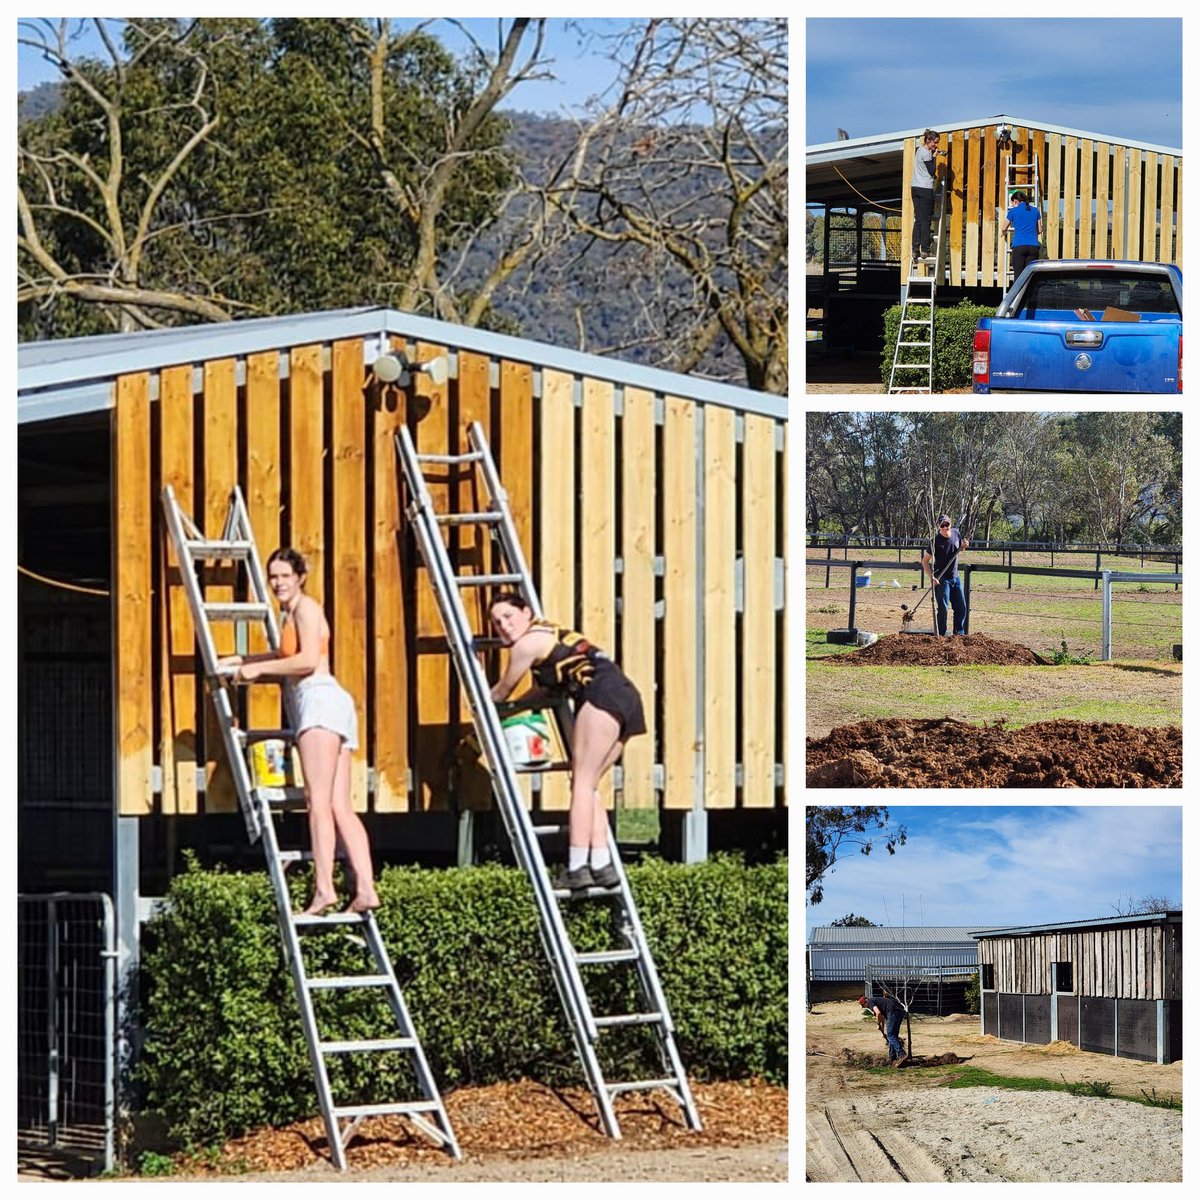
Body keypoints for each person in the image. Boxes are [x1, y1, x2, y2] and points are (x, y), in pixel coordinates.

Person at [219, 548, 379, 916]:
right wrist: (242, 661)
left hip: (318, 701)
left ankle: (324, 889)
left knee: (317, 802)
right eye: (273, 577)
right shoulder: (291, 614)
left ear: (300, 577)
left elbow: (306, 660)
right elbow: (284, 655)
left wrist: (259, 671)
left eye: (284, 576)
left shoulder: (306, 609)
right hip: (332, 703)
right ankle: (365, 888)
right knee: (339, 805)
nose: (278, 583)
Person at [488, 591, 646, 892]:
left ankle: (576, 867)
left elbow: (502, 691)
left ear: (526, 612)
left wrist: (480, 707)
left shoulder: (525, 645)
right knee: (590, 784)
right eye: (497, 623)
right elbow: (546, 692)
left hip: (601, 695)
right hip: (625, 695)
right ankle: (601, 864)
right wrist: (521, 706)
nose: (504, 626)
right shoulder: (550, 633)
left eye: (508, 616)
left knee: (582, 783)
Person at [921, 516, 970, 636]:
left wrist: (964, 546)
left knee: (961, 607)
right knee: (943, 609)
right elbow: (925, 561)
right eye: (942, 525)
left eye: (946, 525)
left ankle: (958, 635)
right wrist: (931, 577)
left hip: (955, 578)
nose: (944, 528)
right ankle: (940, 636)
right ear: (938, 526)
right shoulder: (935, 542)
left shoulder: (956, 533)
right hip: (942, 580)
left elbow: (959, 548)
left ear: (950, 524)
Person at [911, 129, 943, 266]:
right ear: (928, 140)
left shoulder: (919, 151)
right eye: (935, 142)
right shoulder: (927, 153)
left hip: (915, 187)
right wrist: (934, 157)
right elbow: (931, 171)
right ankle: (924, 249)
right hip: (925, 188)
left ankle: (915, 249)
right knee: (926, 220)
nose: (936, 145)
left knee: (918, 219)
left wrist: (933, 154)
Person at [1001, 190, 1043, 281]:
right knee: (1031, 277)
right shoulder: (1035, 211)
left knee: (1019, 277)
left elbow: (1004, 228)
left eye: (1012, 203)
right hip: (1033, 247)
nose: (1012, 205)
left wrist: (1004, 233)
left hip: (1019, 246)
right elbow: (1040, 230)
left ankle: (1019, 291)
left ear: (1016, 201)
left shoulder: (1013, 211)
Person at [859, 993, 908, 1067]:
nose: (864, 1007)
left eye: (863, 1006)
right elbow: (881, 1018)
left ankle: (902, 1054)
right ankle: (892, 1059)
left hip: (893, 1012)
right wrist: (882, 1029)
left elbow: (878, 1013)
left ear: (865, 1003)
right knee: (893, 1036)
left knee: (890, 1035)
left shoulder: (870, 1002)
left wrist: (878, 1024)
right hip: (899, 1012)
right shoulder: (876, 1001)